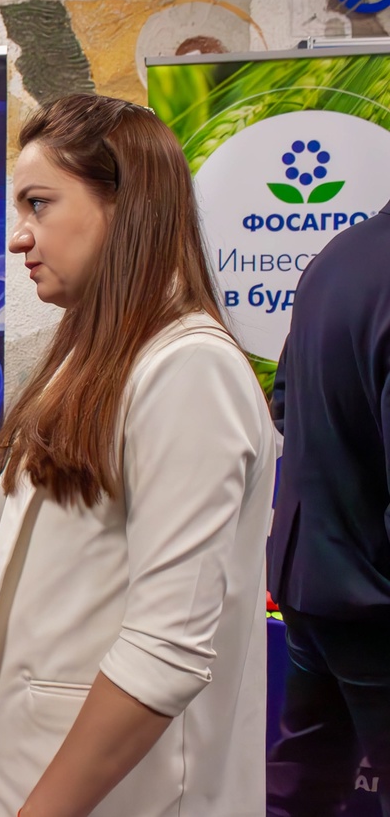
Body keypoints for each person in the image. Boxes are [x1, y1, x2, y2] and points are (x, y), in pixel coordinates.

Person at [0, 93, 276, 817]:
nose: (18, 238)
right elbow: (68, 552)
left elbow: (166, 648)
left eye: (39, 205)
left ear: (127, 207)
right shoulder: (94, 356)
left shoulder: (189, 370)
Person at [265, 204, 390, 815]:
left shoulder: (337, 256)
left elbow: (285, 404)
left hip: (307, 573)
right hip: (372, 594)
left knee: (303, 782)